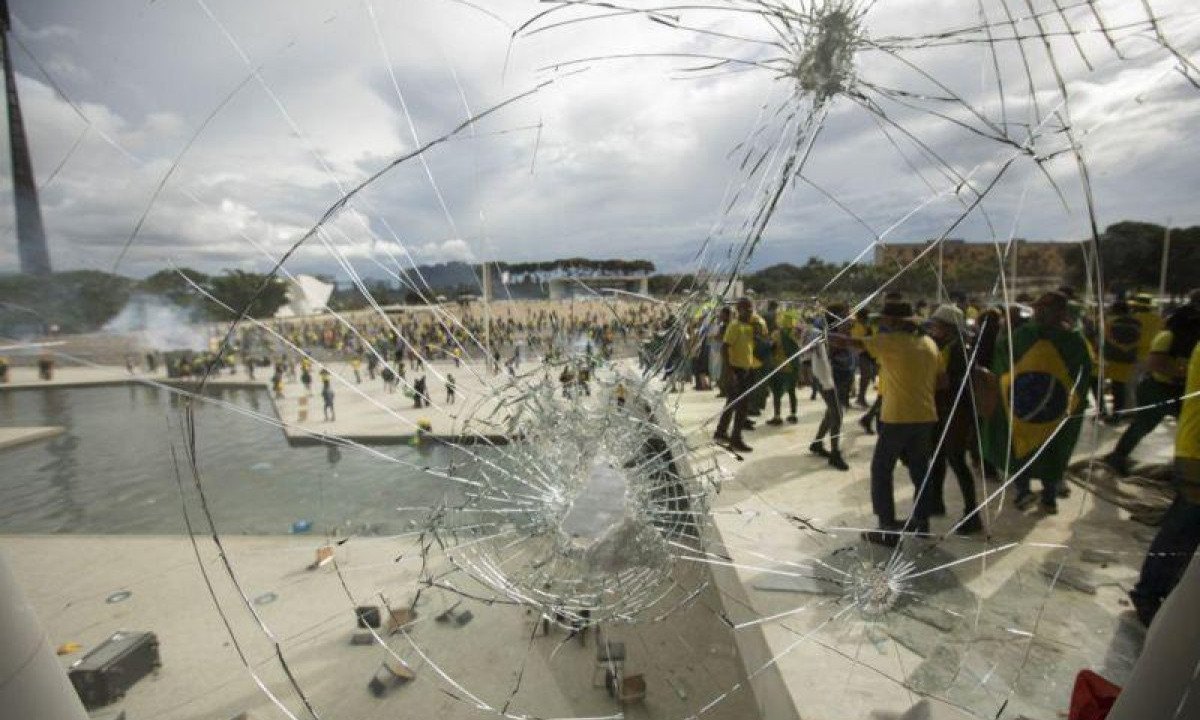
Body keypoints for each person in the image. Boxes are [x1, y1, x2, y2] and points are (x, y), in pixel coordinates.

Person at [983, 291, 1092, 514]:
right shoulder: (1074, 342)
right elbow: (1082, 377)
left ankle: (1028, 493)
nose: (1040, 312)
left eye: (1043, 309)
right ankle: (1046, 498)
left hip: (1023, 408)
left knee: (1023, 448)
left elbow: (1002, 366)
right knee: (1050, 449)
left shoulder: (1023, 336)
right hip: (1054, 409)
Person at [843, 300, 941, 543]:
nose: (882, 324)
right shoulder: (929, 343)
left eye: (885, 320)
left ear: (896, 322)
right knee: (920, 471)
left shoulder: (891, 341)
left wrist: (822, 333)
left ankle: (887, 529)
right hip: (926, 416)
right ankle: (921, 523)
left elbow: (851, 343)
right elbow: (943, 381)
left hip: (897, 416)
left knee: (881, 470)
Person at [1127, 338, 1200, 627]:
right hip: (1196, 452)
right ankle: (1149, 593)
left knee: (1185, 528)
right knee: (1183, 528)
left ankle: (1162, 592)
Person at [1104, 291, 1200, 476]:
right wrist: (1185, 374)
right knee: (1144, 424)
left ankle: (1186, 468)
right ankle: (1117, 457)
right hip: (1158, 388)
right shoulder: (1170, 334)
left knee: (1190, 430)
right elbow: (1155, 364)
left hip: (1182, 389)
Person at [924, 304, 982, 534]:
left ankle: (972, 513)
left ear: (947, 327)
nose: (933, 329)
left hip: (956, 413)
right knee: (938, 457)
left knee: (957, 461)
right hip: (946, 411)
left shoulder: (959, 350)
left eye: (936, 325)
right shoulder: (950, 346)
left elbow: (951, 383)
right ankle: (936, 502)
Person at [805, 309, 849, 471]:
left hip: (836, 378)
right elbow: (812, 358)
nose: (848, 320)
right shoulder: (823, 335)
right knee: (837, 414)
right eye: (845, 316)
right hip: (826, 379)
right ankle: (835, 454)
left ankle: (817, 443)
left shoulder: (835, 334)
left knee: (832, 412)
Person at [714, 297, 759, 453]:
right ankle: (736, 439)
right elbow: (724, 348)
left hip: (746, 369)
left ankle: (721, 432)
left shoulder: (749, 327)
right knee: (741, 407)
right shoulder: (734, 326)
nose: (750, 313)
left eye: (751, 310)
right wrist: (730, 372)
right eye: (747, 310)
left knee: (732, 403)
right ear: (740, 310)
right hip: (737, 371)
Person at [1101, 300, 1140, 422]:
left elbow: (1104, 339)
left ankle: (1113, 414)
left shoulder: (1109, 322)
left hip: (1113, 359)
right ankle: (1119, 413)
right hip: (1128, 359)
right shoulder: (1137, 322)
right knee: (1121, 386)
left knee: (1114, 387)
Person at [765, 309, 800, 426]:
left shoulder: (777, 334)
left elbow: (772, 348)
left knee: (776, 392)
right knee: (792, 391)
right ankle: (793, 414)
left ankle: (777, 416)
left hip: (780, 367)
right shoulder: (796, 334)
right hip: (793, 368)